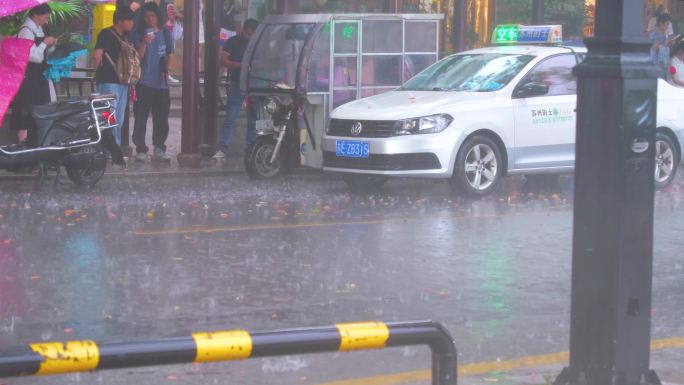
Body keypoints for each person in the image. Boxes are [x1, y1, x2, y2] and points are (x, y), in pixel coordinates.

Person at [131, 2, 175, 163]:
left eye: (152, 16)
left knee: (162, 118)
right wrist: (144, 42)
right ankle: (141, 149)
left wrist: (168, 69)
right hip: (143, 82)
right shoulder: (139, 34)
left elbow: (170, 54)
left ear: (158, 17)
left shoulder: (165, 33)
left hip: (161, 83)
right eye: (146, 17)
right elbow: (137, 57)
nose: (149, 19)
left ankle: (159, 148)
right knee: (141, 116)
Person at [10, 4, 57, 146]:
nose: (46, 21)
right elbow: (33, 56)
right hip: (27, 79)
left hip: (39, 78)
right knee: (26, 115)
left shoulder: (41, 29)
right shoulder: (26, 31)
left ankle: (38, 147)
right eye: (45, 17)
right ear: (36, 16)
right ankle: (23, 149)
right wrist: (44, 43)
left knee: (40, 112)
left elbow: (44, 54)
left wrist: (51, 45)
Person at [212, 18, 259, 160]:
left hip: (255, 84)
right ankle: (222, 148)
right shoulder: (233, 41)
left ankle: (251, 148)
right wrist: (241, 65)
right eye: (248, 34)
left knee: (255, 118)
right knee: (231, 117)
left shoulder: (259, 42)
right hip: (237, 82)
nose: (250, 37)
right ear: (243, 31)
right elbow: (223, 60)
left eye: (253, 34)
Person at [92, 7, 136, 146]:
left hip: (121, 81)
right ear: (119, 21)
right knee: (109, 115)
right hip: (107, 81)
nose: (132, 23)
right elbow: (97, 55)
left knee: (117, 117)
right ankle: (112, 148)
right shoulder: (106, 33)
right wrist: (96, 74)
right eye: (129, 20)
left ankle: (112, 147)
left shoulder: (125, 37)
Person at [650, 13, 676, 79]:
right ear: (661, 23)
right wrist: (665, 43)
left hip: (664, 68)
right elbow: (653, 50)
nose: (668, 27)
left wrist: (669, 44)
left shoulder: (665, 34)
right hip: (656, 68)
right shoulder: (654, 35)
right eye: (667, 24)